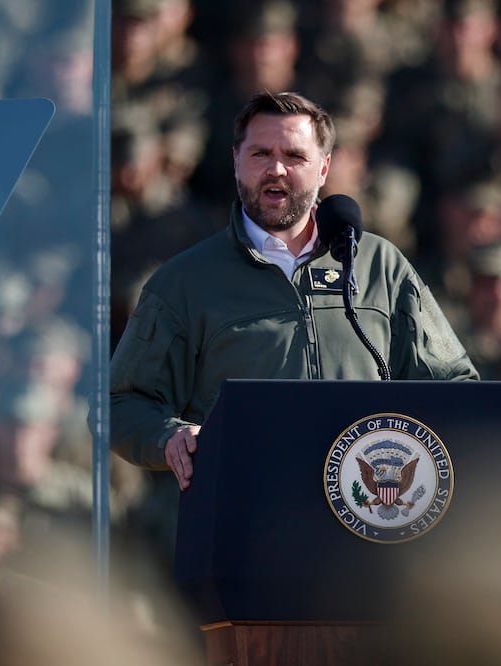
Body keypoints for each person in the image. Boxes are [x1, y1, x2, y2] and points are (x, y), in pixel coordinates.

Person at [110, 91, 478, 493]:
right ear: (236, 162)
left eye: (295, 156)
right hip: (247, 522)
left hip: (373, 520)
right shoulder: (186, 281)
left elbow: (454, 384)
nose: (277, 169)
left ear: (324, 168)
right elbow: (121, 403)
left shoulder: (379, 265)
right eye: (260, 154)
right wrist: (170, 437)